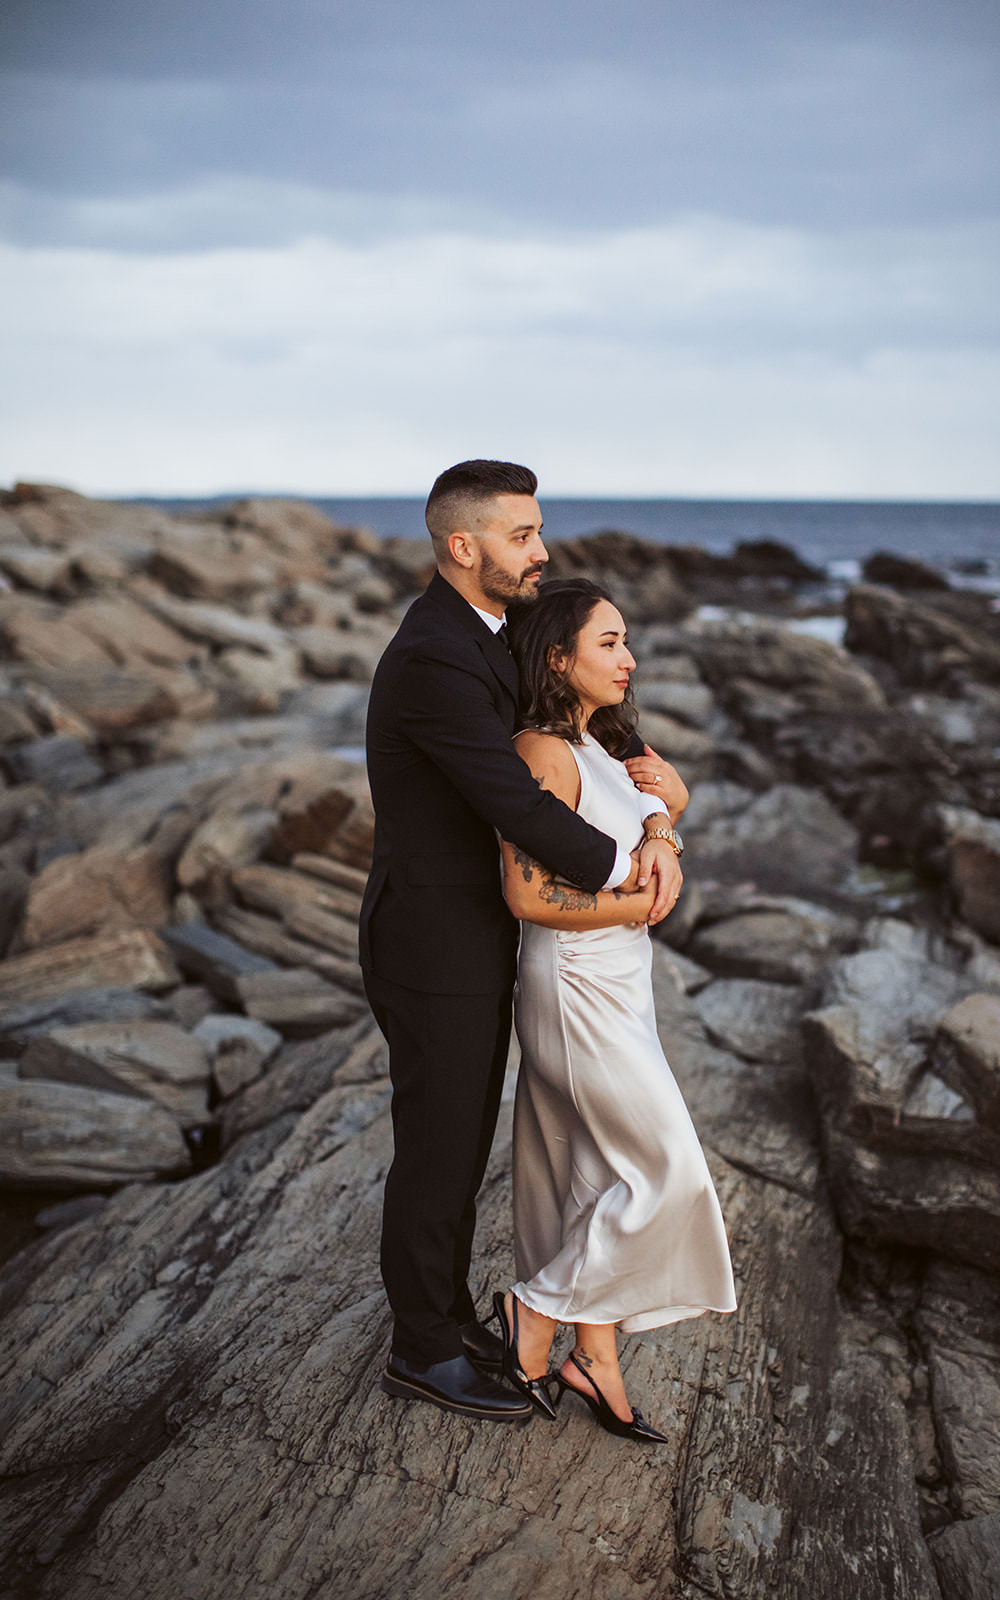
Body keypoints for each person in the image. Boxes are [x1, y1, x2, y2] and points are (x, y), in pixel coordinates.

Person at [359, 460, 687, 1421]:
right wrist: (623, 865)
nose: (539, 551)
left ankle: (454, 1319)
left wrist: (654, 811)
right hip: (434, 940)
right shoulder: (433, 657)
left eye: (538, 532)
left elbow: (579, 723)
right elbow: (506, 797)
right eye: (519, 536)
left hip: (483, 934)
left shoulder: (492, 637)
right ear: (461, 548)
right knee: (439, 1145)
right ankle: (423, 1347)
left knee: (461, 1143)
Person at [492, 577, 736, 1441]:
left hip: (623, 983)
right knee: (666, 1168)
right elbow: (525, 896)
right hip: (573, 982)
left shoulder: (604, 743)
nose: (628, 658)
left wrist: (668, 817)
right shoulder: (541, 752)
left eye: (627, 640)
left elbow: (653, 818)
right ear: (556, 658)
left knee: (598, 1173)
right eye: (608, 643)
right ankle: (534, 1307)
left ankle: (592, 1360)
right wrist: (639, 904)